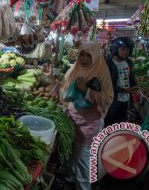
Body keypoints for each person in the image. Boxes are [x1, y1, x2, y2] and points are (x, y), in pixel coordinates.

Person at [48, 42, 114, 190]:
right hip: (72, 119)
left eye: (88, 55)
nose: (83, 59)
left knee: (83, 161)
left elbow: (108, 99)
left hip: (89, 125)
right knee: (71, 156)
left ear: (96, 56)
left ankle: (84, 186)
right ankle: (72, 179)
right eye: (81, 54)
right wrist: (52, 79)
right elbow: (64, 94)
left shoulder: (101, 73)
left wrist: (86, 90)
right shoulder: (74, 69)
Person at [105, 37, 137, 127]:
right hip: (112, 101)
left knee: (121, 124)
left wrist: (135, 86)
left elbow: (131, 78)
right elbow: (106, 85)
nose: (125, 52)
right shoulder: (107, 64)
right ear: (115, 50)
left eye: (127, 49)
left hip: (126, 100)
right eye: (122, 49)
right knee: (109, 125)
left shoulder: (129, 62)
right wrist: (124, 90)